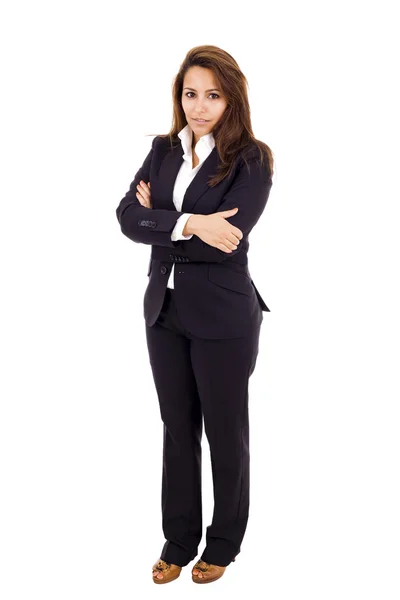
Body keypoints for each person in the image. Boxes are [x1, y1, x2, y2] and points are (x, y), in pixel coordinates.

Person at [115, 44, 274, 584]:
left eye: (213, 94)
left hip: (224, 316)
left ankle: (223, 544)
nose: (199, 105)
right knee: (177, 428)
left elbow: (229, 238)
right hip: (165, 309)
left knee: (225, 432)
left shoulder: (251, 158)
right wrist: (191, 223)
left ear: (232, 99)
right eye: (190, 94)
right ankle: (178, 540)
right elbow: (125, 217)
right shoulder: (163, 151)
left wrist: (162, 217)